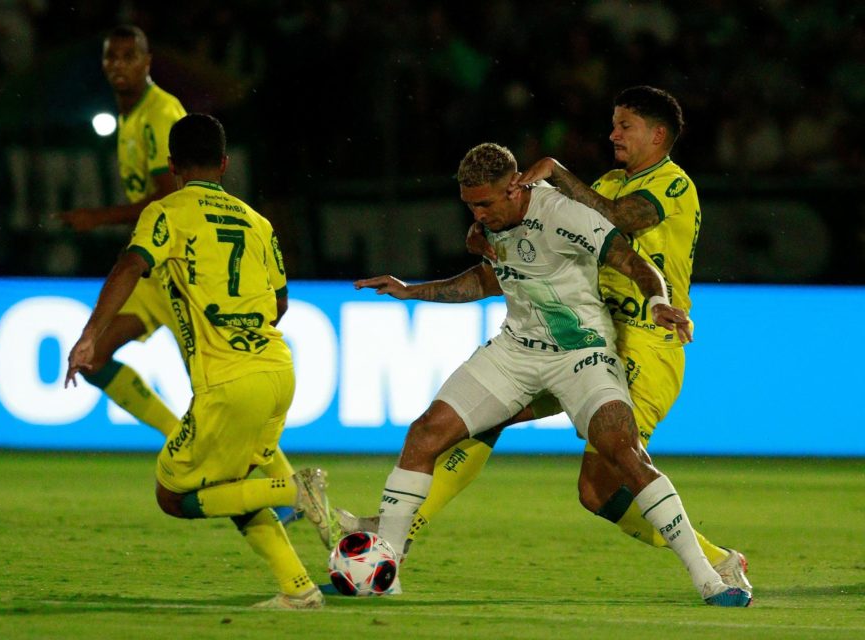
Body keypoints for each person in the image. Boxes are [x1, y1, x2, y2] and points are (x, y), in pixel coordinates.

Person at [340, 86, 751, 593]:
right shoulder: (605, 182)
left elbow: (615, 222)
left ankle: (717, 563)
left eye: (625, 125)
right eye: (613, 123)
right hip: (567, 338)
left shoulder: (671, 186)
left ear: (658, 134)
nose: (613, 133)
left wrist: (553, 175)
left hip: (645, 338)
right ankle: (398, 533)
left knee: (601, 487)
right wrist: (494, 237)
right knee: (481, 420)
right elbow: (532, 255)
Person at [66, 113, 336, 609]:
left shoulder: (167, 212)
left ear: (171, 165)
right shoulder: (258, 222)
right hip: (279, 371)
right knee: (228, 486)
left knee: (173, 495)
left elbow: (131, 265)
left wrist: (91, 334)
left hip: (229, 383)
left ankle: (292, 491)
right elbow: (279, 304)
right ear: (226, 164)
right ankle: (298, 589)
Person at [58, 26, 300, 523]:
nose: (119, 65)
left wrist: (97, 218)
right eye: (112, 57)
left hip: (179, 274)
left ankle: (289, 491)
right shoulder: (128, 118)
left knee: (221, 394)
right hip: (153, 275)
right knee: (97, 357)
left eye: (129, 57)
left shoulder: (160, 116)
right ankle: (183, 437)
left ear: (148, 62)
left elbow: (173, 201)